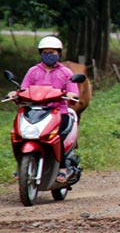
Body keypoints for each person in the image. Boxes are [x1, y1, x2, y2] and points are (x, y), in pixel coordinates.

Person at [7, 36, 79, 182]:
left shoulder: (66, 73)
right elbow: (23, 89)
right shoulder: (33, 71)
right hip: (34, 111)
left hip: (58, 112)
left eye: (52, 52)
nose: (48, 55)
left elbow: (73, 92)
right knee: (20, 134)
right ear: (40, 54)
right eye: (45, 53)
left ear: (59, 53)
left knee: (58, 135)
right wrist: (15, 94)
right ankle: (21, 165)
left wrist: (72, 94)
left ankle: (62, 168)